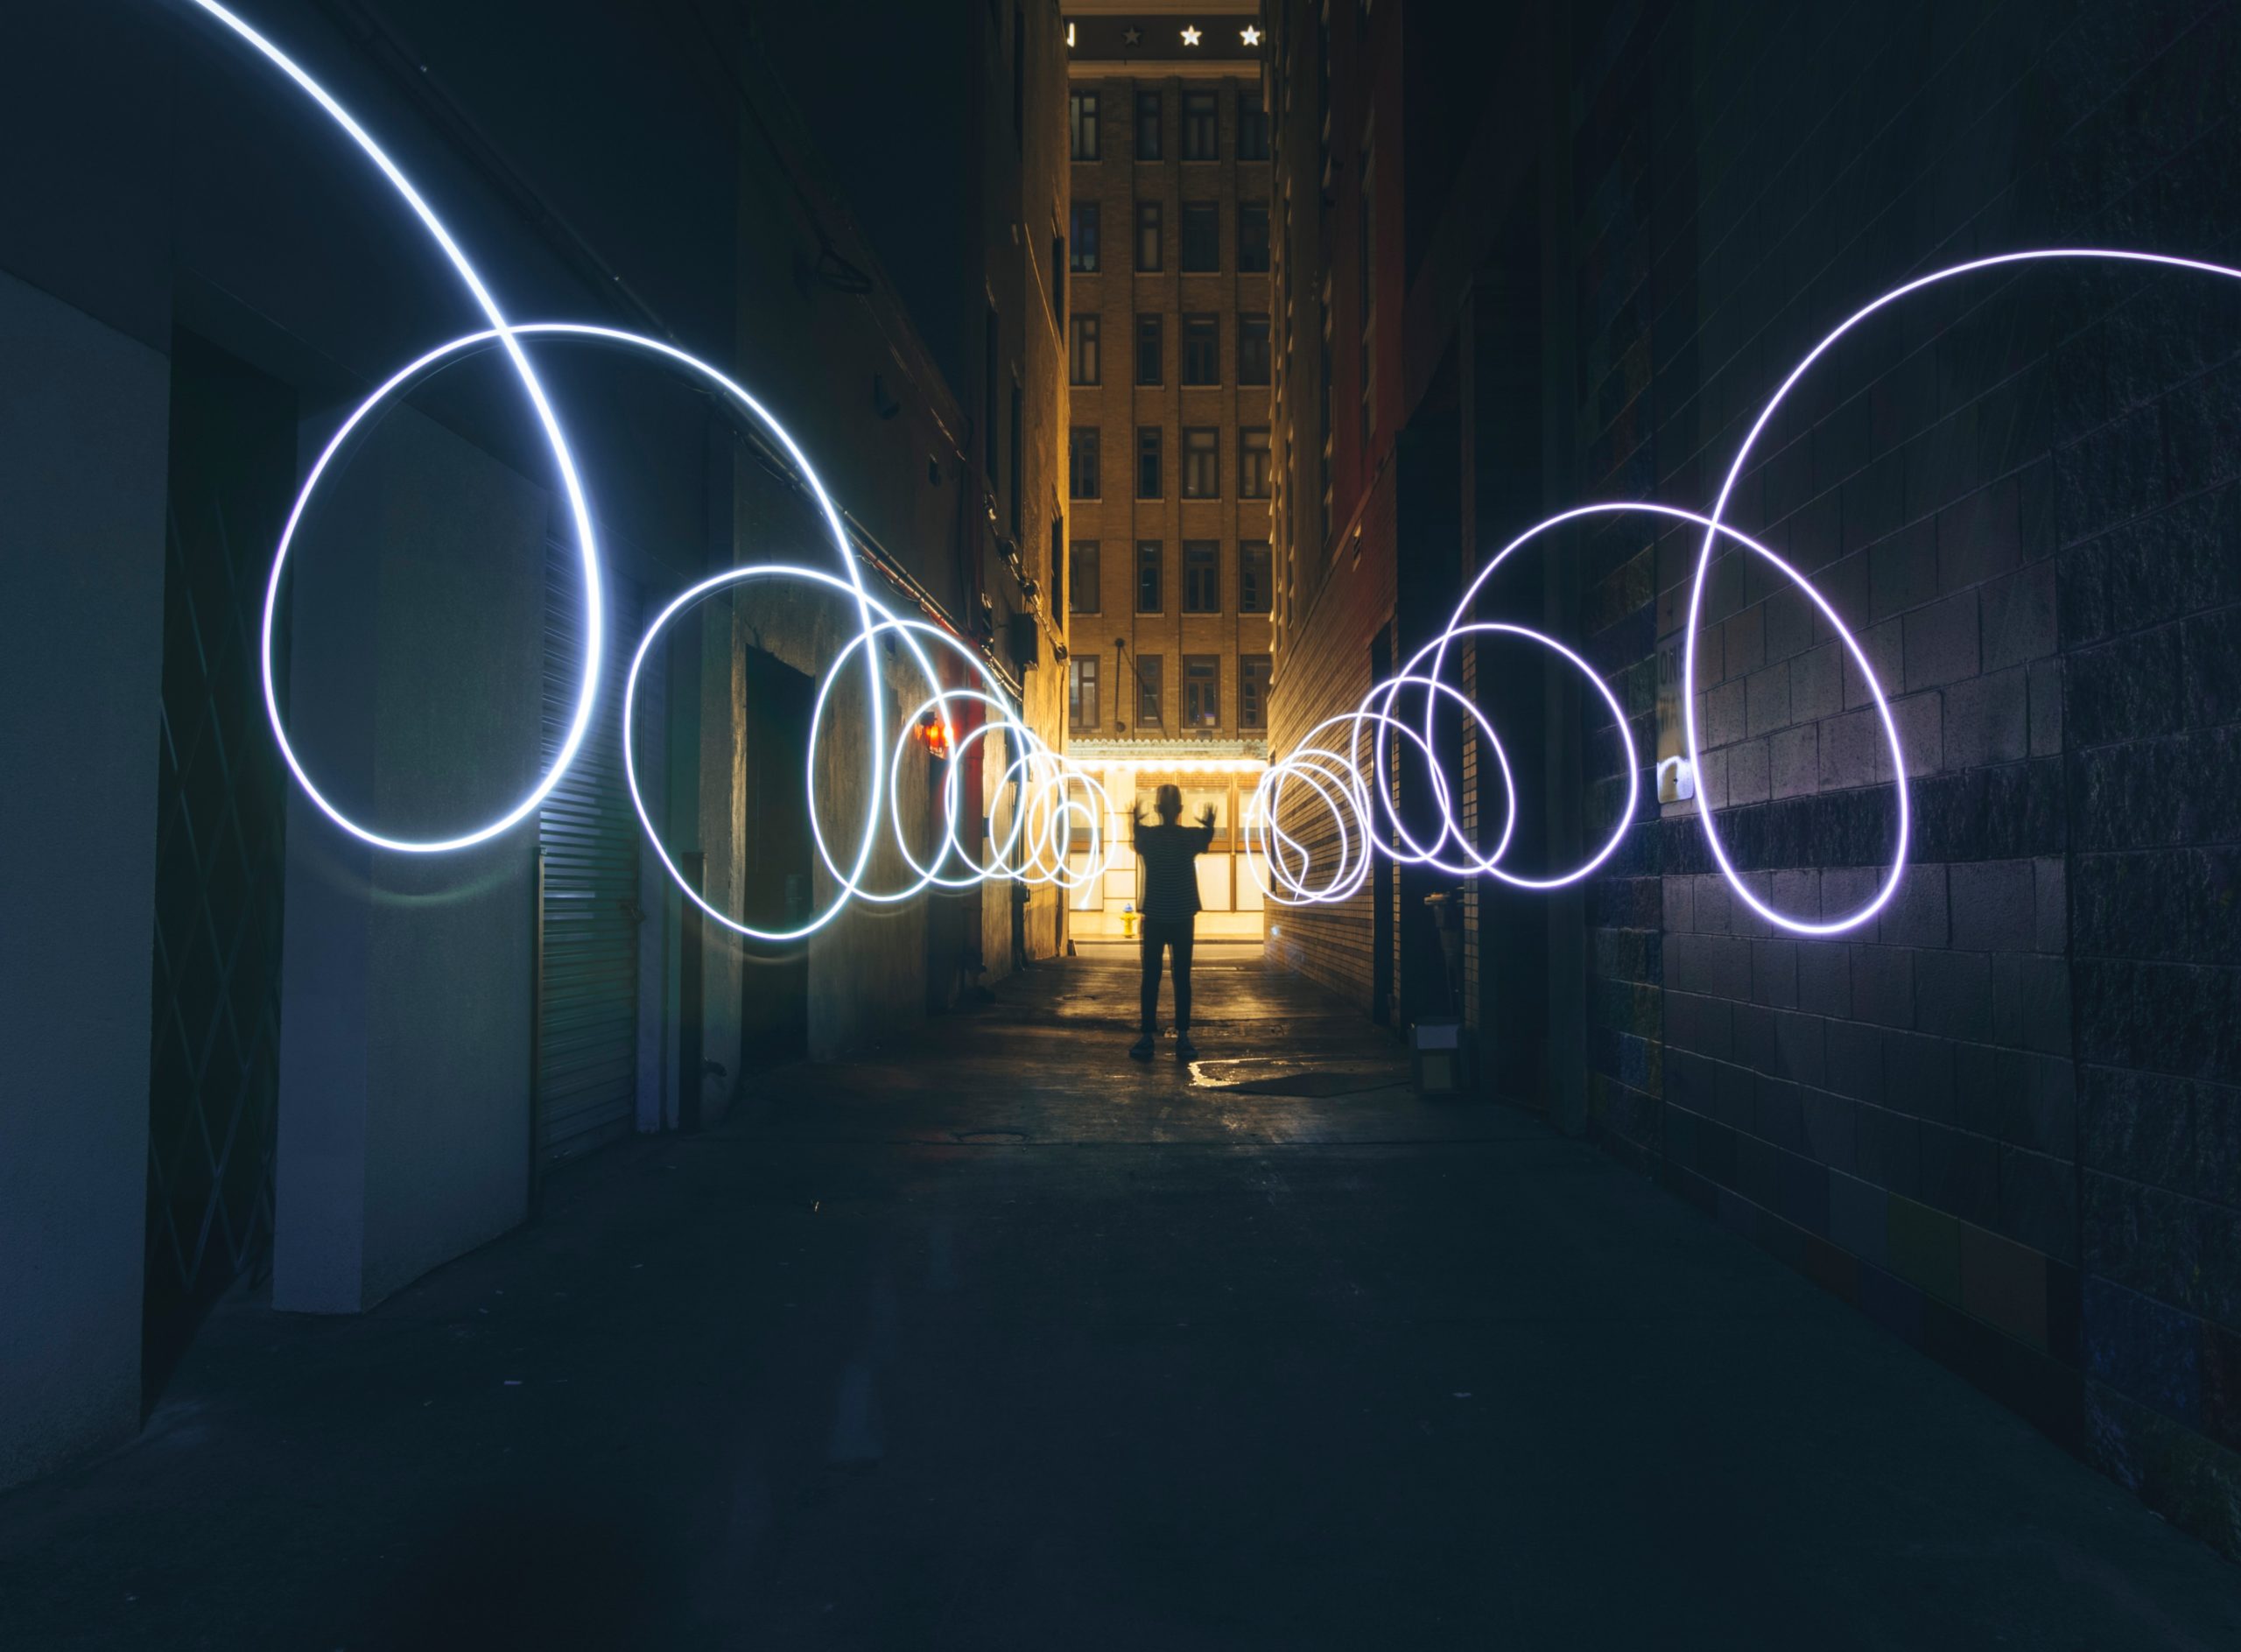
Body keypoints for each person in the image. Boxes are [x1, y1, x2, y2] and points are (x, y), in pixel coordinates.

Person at [1128, 784, 1216, 1062]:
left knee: (1151, 979)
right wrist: (1210, 827)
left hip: (1155, 916)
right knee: (1182, 978)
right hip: (1181, 917)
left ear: (1157, 809)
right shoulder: (1188, 838)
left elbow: (1137, 839)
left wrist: (1134, 822)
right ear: (1180, 810)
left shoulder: (1148, 837)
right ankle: (1183, 1037)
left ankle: (1148, 1038)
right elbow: (1205, 840)